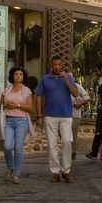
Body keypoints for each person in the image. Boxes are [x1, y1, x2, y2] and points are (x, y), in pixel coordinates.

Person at [35, 55, 80, 183]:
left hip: (66, 115)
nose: (57, 67)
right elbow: (39, 97)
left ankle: (66, 171)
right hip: (50, 115)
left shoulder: (68, 78)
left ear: (62, 65)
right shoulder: (45, 79)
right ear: (51, 65)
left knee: (66, 141)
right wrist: (39, 116)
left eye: (59, 64)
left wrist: (66, 80)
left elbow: (75, 94)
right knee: (52, 144)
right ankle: (55, 172)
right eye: (55, 64)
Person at [1, 66, 33, 183]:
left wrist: (17, 105)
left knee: (18, 148)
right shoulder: (7, 90)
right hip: (8, 120)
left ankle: (17, 174)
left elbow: (30, 107)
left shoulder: (27, 91)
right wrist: (6, 105)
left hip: (22, 121)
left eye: (20, 74)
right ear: (12, 77)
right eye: (16, 74)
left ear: (23, 77)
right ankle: (9, 168)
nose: (18, 76)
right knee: (7, 147)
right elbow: (0, 105)